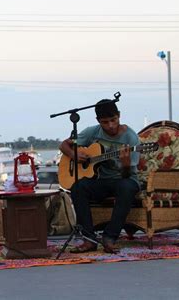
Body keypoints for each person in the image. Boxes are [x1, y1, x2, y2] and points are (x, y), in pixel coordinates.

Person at [59, 99, 140, 253]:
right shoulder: (93, 132)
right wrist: (73, 154)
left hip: (125, 179)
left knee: (126, 187)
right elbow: (64, 145)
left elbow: (127, 175)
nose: (110, 125)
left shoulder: (130, 137)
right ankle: (89, 239)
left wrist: (126, 164)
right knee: (78, 187)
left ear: (119, 116)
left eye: (113, 120)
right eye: (105, 122)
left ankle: (109, 237)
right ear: (98, 121)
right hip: (101, 181)